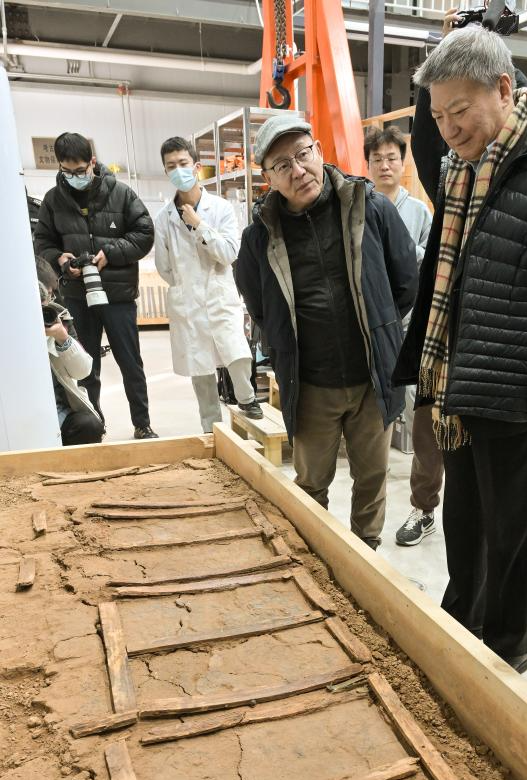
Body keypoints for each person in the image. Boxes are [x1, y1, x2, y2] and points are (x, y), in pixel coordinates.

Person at [393, 22, 527, 671]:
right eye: (438, 116)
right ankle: (462, 629)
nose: (448, 129)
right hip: (459, 377)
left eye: (459, 111)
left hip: (519, 390)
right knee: (465, 524)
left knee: (514, 536)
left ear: (503, 90)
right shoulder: (456, 167)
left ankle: (506, 655)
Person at [236, 114, 419, 550]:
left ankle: (366, 555)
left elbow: (406, 281)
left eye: (303, 154)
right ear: (269, 178)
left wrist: (378, 329)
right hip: (311, 385)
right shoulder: (259, 238)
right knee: (311, 483)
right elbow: (259, 307)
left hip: (371, 379)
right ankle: (314, 560)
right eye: (283, 165)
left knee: (371, 478)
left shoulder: (370, 208)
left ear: (319, 151)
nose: (298, 170)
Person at [34, 132, 158, 439]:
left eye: (80, 170)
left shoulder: (121, 193)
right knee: (85, 367)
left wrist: (110, 253)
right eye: (67, 171)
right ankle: (95, 424)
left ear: (92, 162)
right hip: (76, 296)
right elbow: (43, 243)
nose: (75, 177)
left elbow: (144, 234)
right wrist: (60, 259)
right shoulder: (52, 200)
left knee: (130, 363)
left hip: (118, 294)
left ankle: (142, 424)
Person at [363, 126, 441, 548]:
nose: (385, 165)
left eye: (392, 157)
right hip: (372, 326)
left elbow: (429, 266)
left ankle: (422, 506)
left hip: (413, 326)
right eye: (377, 159)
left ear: (403, 162)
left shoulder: (420, 213)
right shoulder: (359, 208)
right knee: (370, 409)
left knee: (419, 412)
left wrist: (401, 251)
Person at [154, 136, 262, 434]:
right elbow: (164, 266)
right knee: (199, 367)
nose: (178, 170)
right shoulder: (163, 219)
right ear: (166, 171)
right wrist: (184, 286)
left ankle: (247, 399)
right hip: (186, 299)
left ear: (197, 166)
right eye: (171, 166)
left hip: (219, 293)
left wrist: (199, 225)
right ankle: (210, 425)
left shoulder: (221, 208)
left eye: (183, 163)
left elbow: (228, 253)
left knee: (236, 352)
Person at [37, 257, 104, 447]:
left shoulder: (58, 316)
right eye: (40, 298)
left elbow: (83, 372)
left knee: (90, 426)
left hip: (58, 411)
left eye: (49, 296)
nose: (45, 304)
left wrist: (62, 338)